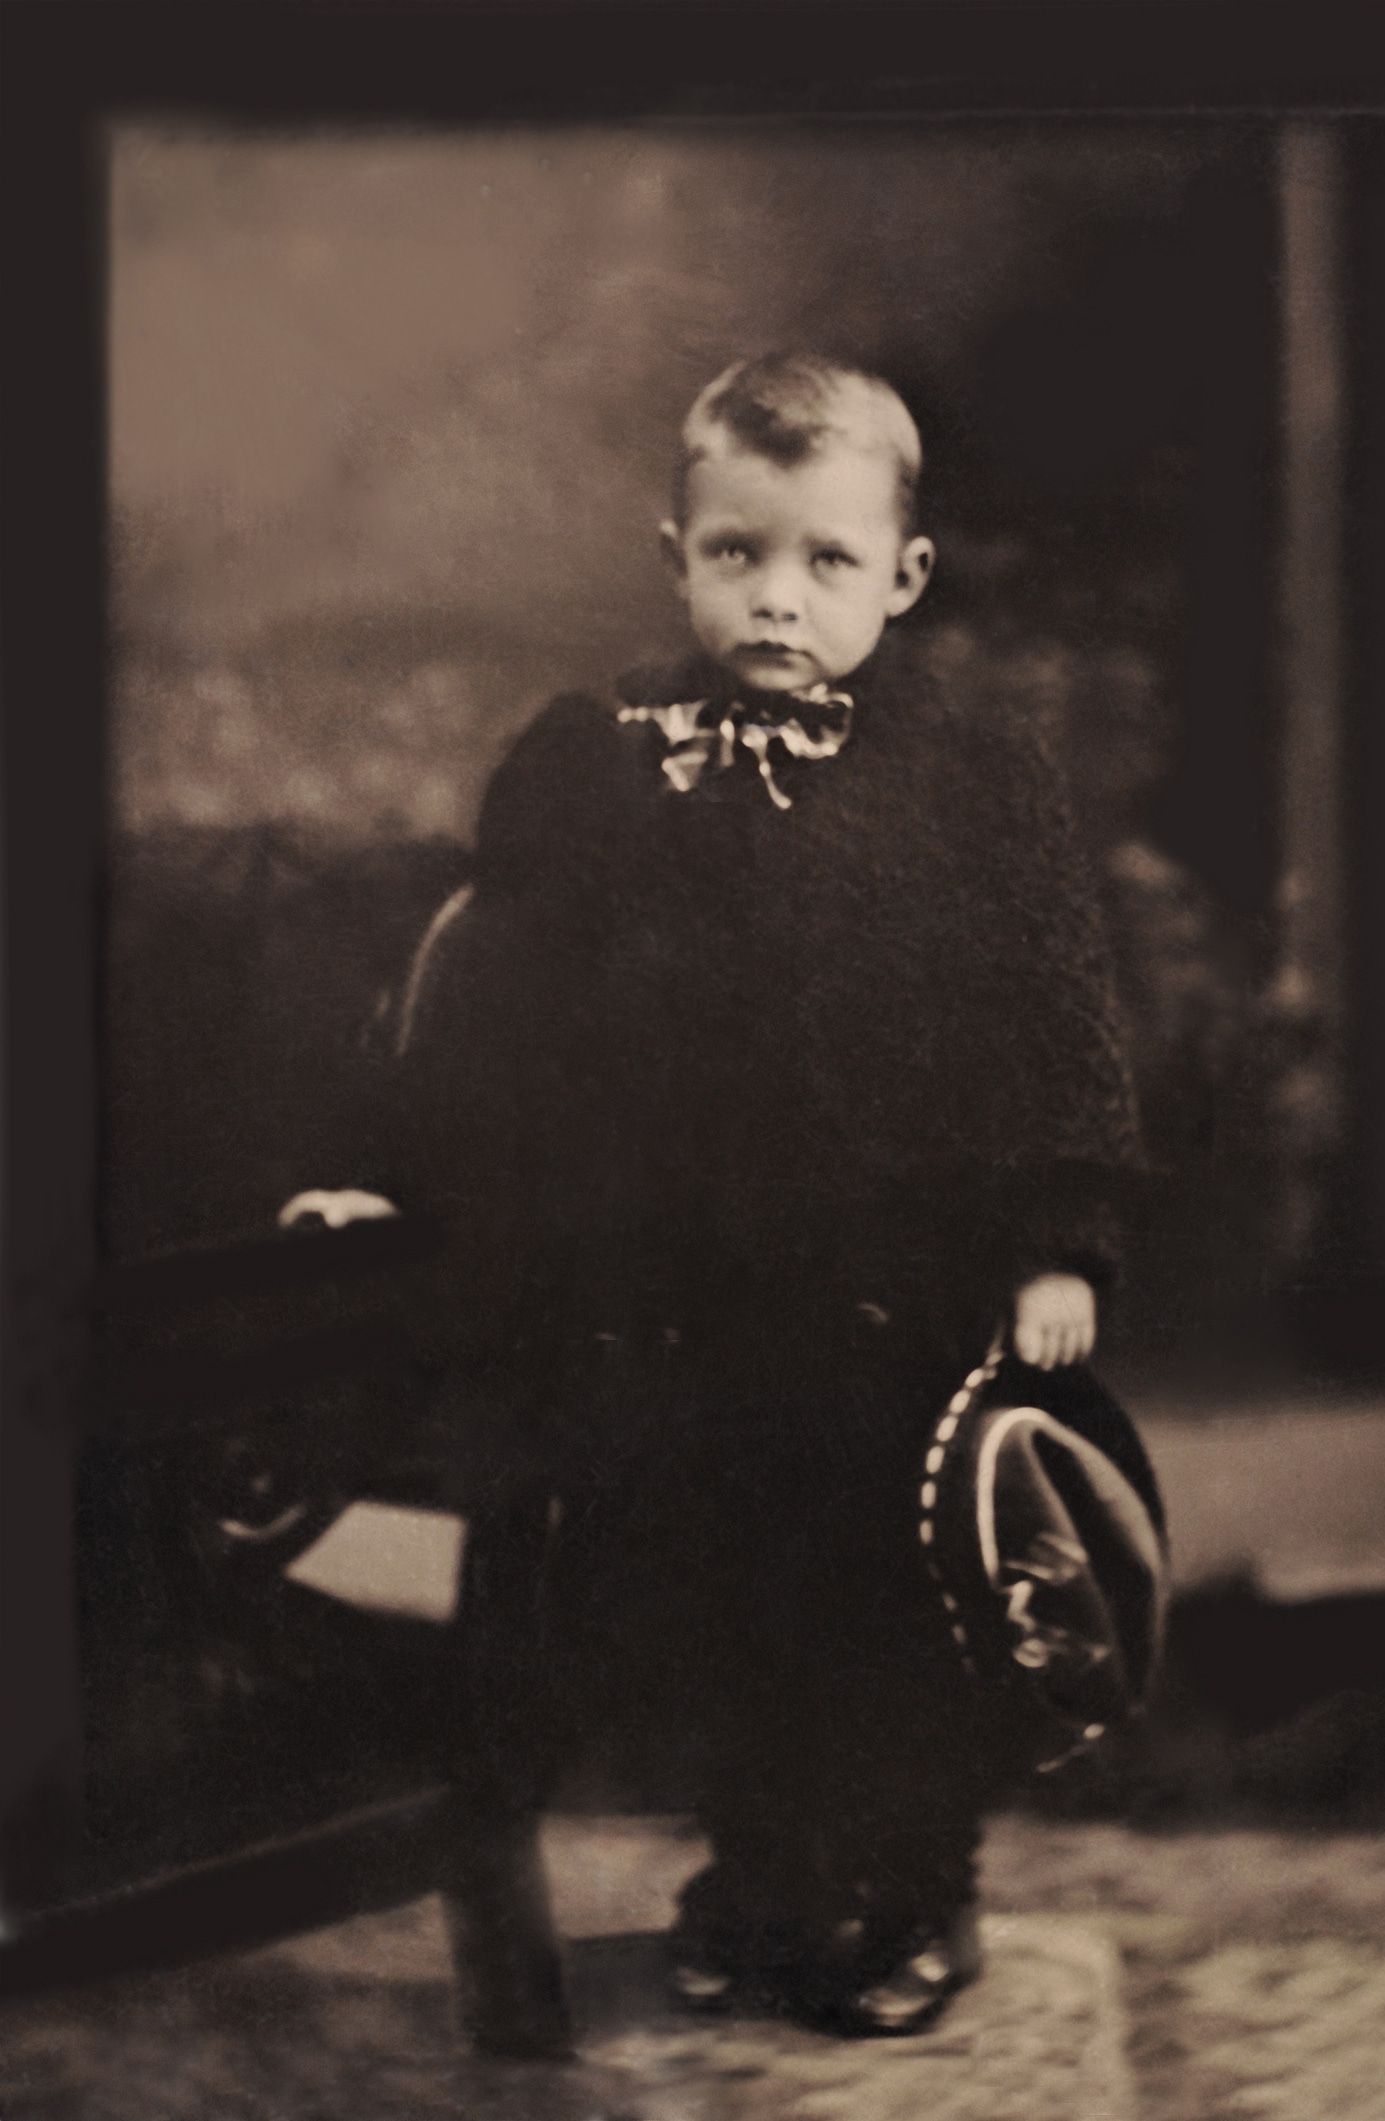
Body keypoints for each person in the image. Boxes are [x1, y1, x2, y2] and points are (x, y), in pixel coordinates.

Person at [286, 352, 1150, 2039]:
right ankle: (758, 1873)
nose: (778, 596)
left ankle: (915, 1888)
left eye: (826, 560)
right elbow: (490, 1003)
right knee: (719, 1596)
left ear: (901, 575)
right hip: (672, 1285)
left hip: (902, 1288)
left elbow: (1057, 1015)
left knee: (897, 1602)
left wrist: (1062, 1238)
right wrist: (379, 1173)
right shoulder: (595, 755)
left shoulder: (979, 777)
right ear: (672, 553)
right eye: (737, 552)